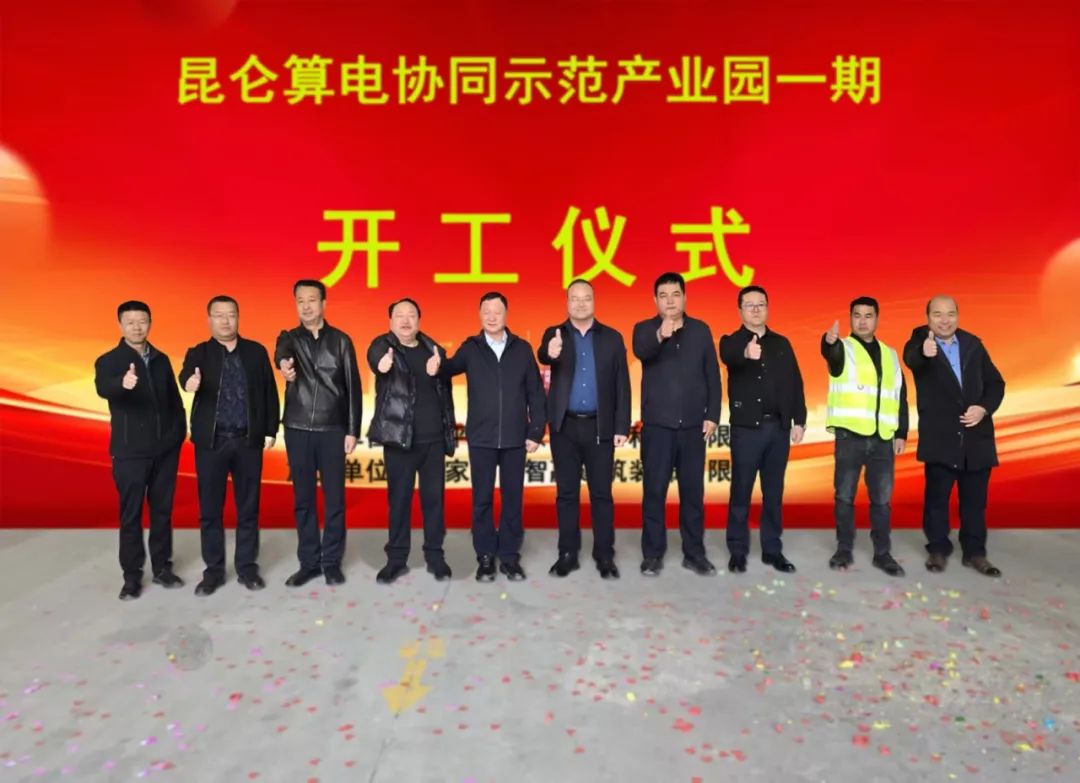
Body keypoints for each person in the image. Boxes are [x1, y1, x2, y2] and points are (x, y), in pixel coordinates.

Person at [178, 295, 280, 595]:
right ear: (209, 319)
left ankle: (247, 568)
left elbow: (269, 391)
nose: (225, 321)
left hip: (248, 441)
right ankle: (213, 571)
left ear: (238, 317)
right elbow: (185, 376)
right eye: (219, 315)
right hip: (212, 443)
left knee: (248, 508)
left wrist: (270, 428)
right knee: (210, 510)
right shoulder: (199, 353)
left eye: (231, 315)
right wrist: (190, 383)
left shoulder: (255, 352)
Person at [444, 292, 546, 582]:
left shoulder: (522, 349)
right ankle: (486, 556)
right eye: (486, 311)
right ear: (479, 314)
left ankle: (510, 557)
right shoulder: (471, 348)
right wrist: (433, 362)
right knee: (482, 500)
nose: (491, 316)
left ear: (506, 314)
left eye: (497, 311)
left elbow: (536, 394)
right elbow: (447, 369)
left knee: (513, 499)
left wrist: (535, 431)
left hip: (515, 439)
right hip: (481, 438)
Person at [902, 295, 1005, 577]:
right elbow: (911, 359)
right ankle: (937, 549)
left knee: (974, 503)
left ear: (958, 315)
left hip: (976, 438)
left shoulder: (973, 344)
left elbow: (996, 383)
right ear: (928, 318)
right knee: (937, 500)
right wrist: (924, 352)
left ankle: (975, 553)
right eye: (937, 314)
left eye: (950, 314)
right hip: (941, 438)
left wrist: (983, 408)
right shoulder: (920, 342)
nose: (944, 320)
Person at [537, 279, 631, 579]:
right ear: (567, 302)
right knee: (566, 494)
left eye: (586, 298)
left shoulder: (612, 338)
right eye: (574, 298)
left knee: (601, 494)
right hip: (564, 427)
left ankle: (604, 555)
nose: (580, 303)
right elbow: (542, 355)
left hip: (600, 427)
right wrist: (550, 352)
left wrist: (621, 425)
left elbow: (622, 384)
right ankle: (568, 554)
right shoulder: (555, 334)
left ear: (594, 301)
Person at [94, 301, 186, 600]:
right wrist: (122, 383)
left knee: (162, 512)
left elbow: (174, 400)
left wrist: (178, 434)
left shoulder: (160, 359)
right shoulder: (109, 361)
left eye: (142, 321)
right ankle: (132, 577)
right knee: (131, 514)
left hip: (165, 451)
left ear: (150, 323)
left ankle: (162, 568)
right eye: (130, 322)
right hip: (130, 452)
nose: (137, 327)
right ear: (120, 325)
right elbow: (103, 388)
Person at [631, 272, 721, 577]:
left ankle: (694, 554)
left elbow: (712, 375)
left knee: (693, 494)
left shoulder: (701, 330)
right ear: (655, 300)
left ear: (684, 297)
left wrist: (712, 415)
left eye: (676, 294)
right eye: (663, 296)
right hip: (658, 428)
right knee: (654, 493)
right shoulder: (644, 329)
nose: (670, 301)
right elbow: (642, 351)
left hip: (693, 429)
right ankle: (652, 555)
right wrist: (661, 334)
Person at [274, 279, 362, 587]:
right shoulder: (289, 338)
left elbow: (353, 387)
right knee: (304, 499)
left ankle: (331, 562)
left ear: (324, 303)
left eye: (312, 299)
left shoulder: (341, 341)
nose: (306, 306)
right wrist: (284, 365)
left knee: (335, 499)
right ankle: (309, 563)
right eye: (300, 300)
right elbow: (281, 353)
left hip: (332, 429)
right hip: (298, 427)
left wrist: (352, 430)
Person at [366, 297, 456, 584]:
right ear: (390, 321)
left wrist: (440, 369)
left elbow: (447, 396)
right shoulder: (383, 346)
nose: (406, 320)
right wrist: (382, 365)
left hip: (433, 441)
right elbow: (375, 359)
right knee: (399, 501)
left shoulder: (434, 350)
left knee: (434, 501)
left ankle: (435, 556)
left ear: (419, 319)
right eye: (399, 315)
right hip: (400, 441)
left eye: (411, 315)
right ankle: (396, 559)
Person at [719, 285, 806, 574]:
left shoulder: (782, 343)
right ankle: (737, 551)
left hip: (778, 429)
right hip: (747, 431)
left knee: (773, 493)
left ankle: (772, 550)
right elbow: (729, 355)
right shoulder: (732, 342)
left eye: (761, 304)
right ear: (740, 310)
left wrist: (799, 420)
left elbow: (795, 383)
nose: (756, 309)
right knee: (741, 491)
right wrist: (746, 351)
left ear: (768, 308)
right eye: (750, 304)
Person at [821, 296, 908, 577]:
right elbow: (831, 354)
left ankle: (882, 553)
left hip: (882, 439)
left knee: (882, 500)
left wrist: (901, 432)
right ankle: (843, 549)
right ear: (850, 319)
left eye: (868, 315)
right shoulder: (843, 349)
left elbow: (900, 395)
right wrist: (828, 342)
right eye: (857, 315)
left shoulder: (890, 354)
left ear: (877, 319)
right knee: (845, 495)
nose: (862, 321)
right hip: (850, 437)